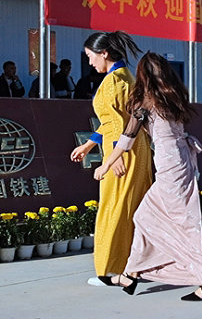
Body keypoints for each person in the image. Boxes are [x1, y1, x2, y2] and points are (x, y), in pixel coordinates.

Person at [93, 52, 202, 301]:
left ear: (143, 75)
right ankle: (131, 274)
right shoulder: (171, 97)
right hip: (178, 162)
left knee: (185, 224)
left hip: (170, 167)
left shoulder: (146, 102)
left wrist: (106, 164)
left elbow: (127, 139)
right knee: (145, 217)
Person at [70, 31, 152, 286]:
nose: (90, 62)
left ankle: (110, 270)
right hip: (131, 149)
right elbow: (112, 121)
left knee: (115, 207)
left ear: (103, 53)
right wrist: (89, 144)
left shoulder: (115, 81)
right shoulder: (124, 76)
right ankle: (134, 266)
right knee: (132, 207)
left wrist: (114, 157)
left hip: (123, 152)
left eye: (90, 56)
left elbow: (119, 124)